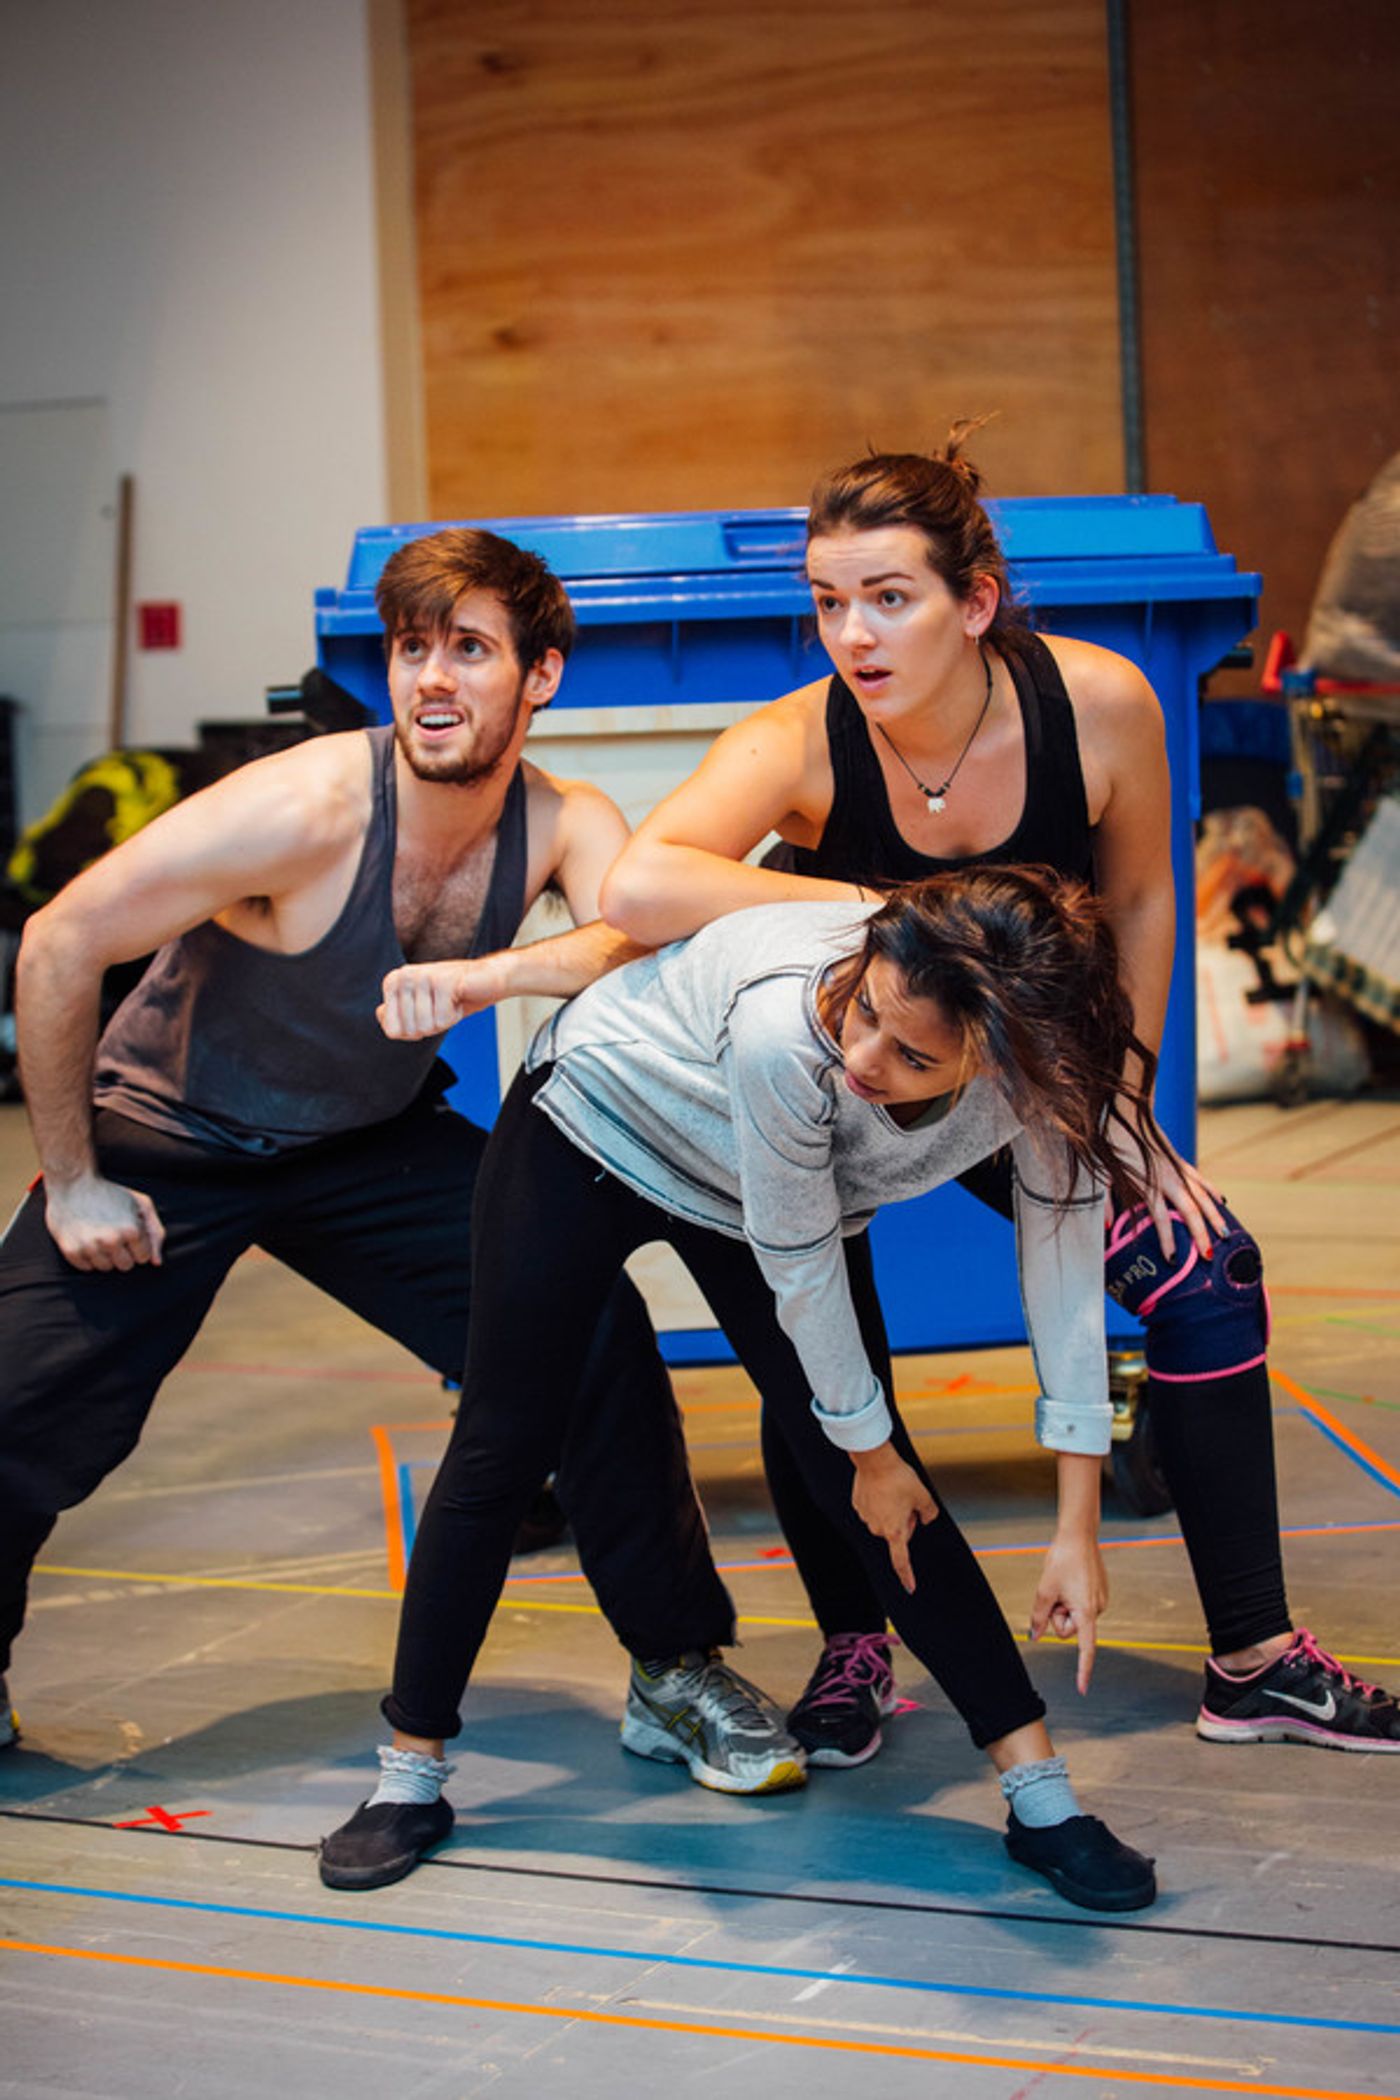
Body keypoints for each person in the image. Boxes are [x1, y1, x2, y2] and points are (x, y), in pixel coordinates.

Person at [598, 433, 1400, 1766]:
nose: (854, 634)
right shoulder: (798, 739)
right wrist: (890, 911)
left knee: (1210, 1275)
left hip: (1021, 1080)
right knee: (819, 1357)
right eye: (829, 602)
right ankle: (859, 1644)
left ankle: (1255, 1658)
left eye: (890, 598)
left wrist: (1118, 1094)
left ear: (974, 600)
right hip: (844, 1079)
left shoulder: (1098, 705)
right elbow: (637, 887)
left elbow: (1141, 895)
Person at [0, 525, 748, 1763]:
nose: (432, 679)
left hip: (365, 1143)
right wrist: (74, 1178)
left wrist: (491, 975)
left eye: (468, 648)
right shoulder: (302, 808)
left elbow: (649, 937)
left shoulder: (561, 821)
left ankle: (674, 1666)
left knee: (591, 1335)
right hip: (169, 1134)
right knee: (17, 1404)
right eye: (412, 649)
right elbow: (59, 941)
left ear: (540, 675)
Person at [321, 868, 1163, 1910]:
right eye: (862, 1011)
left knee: (878, 1482)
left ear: (1005, 1055)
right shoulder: (785, 1028)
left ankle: (1041, 1801)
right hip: (598, 1118)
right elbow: (798, 1258)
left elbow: (1062, 1272)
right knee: (504, 1442)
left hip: (766, 1180)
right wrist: (869, 1454)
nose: (859, 1061)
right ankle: (409, 1776)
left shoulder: (1047, 1076)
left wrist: (1074, 1519)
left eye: (909, 1056)